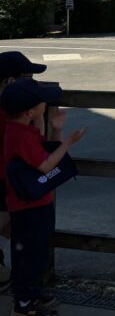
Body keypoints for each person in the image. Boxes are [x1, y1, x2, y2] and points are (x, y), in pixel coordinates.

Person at [1, 78, 85, 316]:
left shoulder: (20, 129)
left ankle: (31, 292)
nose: (45, 105)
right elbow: (46, 164)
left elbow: (45, 149)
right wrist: (69, 141)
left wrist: (56, 129)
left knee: (36, 252)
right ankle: (23, 303)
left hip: (35, 202)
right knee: (29, 254)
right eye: (42, 102)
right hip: (28, 206)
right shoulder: (21, 136)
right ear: (29, 110)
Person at [0, 52, 48, 292]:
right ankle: (25, 294)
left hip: (7, 178)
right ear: (9, 82)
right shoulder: (10, 116)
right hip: (8, 179)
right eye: (27, 79)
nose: (33, 84)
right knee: (16, 224)